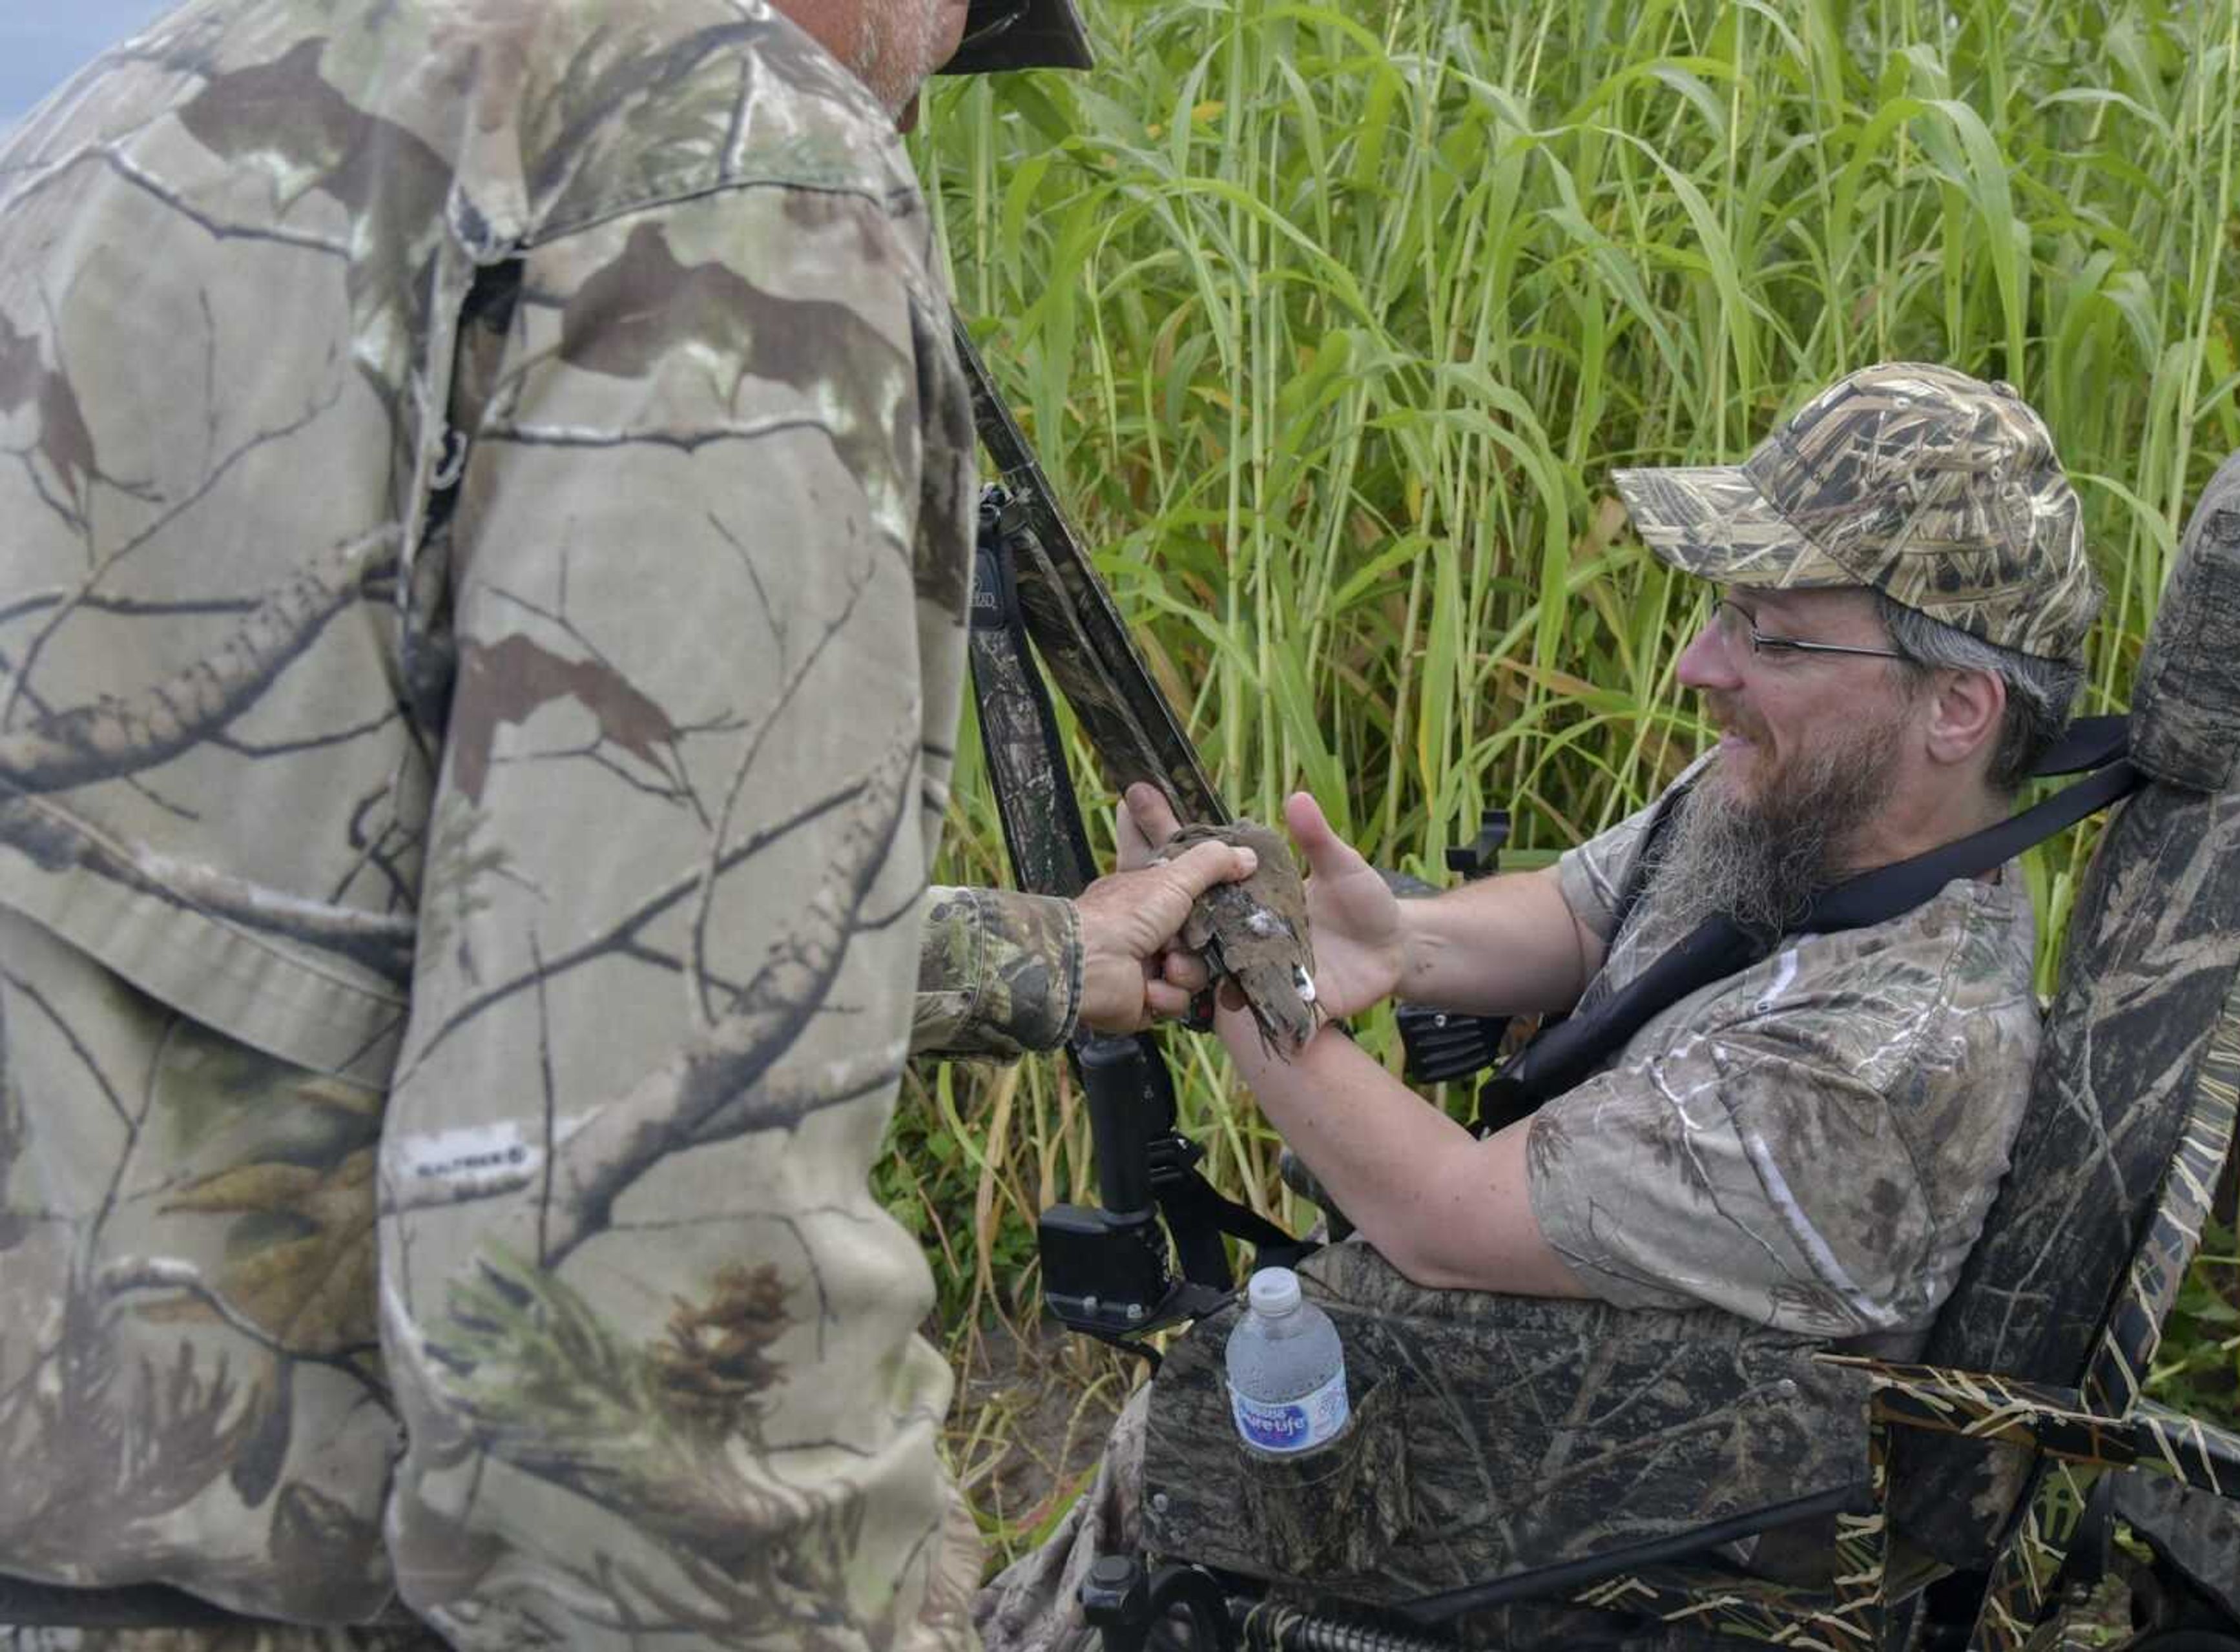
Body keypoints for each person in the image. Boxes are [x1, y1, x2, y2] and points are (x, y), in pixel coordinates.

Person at [0, 1, 1252, 1649]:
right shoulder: (720, 158)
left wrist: (1049, 957)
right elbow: (642, 1306)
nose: (931, 78)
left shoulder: (129, 114)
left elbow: (326, 893)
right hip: (282, 1561)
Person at [975, 362, 2104, 1650]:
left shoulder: (1879, 1064)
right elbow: (1585, 913)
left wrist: (1244, 966)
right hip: (1558, 1381)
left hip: (1644, 1512)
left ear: (1959, 708)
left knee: (1204, 1419)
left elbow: (1445, 1216)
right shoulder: (1799, 798)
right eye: (1723, 612)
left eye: (1772, 635)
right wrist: (1398, 941)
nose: (1700, 665)